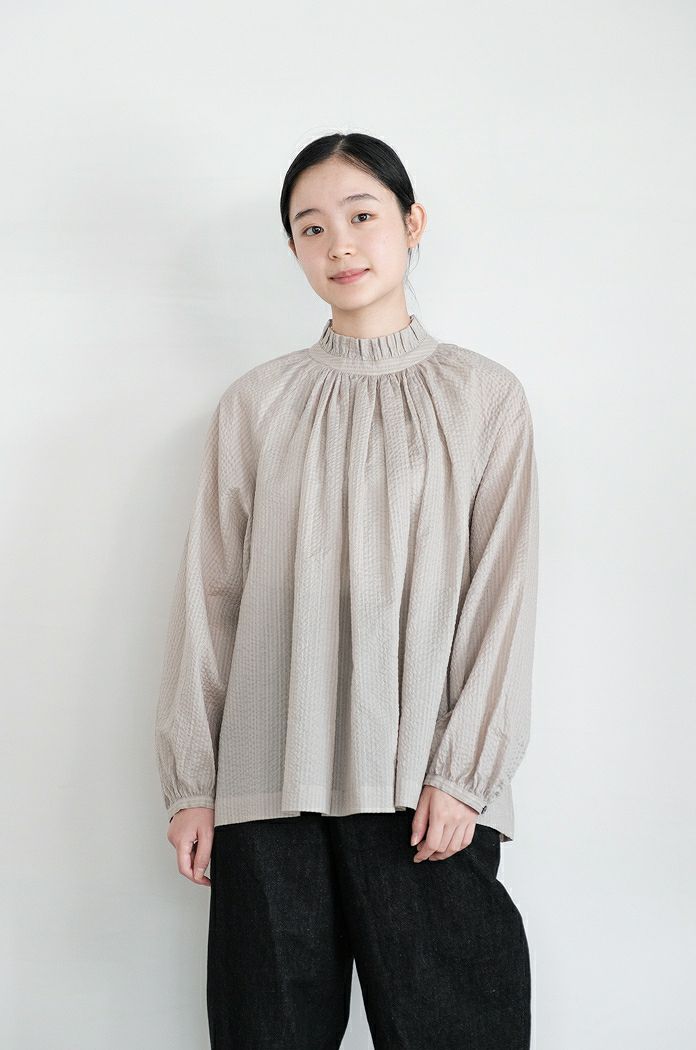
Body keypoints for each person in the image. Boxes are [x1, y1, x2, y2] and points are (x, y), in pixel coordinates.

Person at [155, 131, 539, 1049]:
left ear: (412, 223)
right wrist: (192, 784)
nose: (340, 244)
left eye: (362, 215)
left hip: (420, 792)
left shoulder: (484, 399)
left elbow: (502, 598)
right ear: (293, 248)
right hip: (264, 792)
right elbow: (211, 598)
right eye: (312, 227)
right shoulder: (256, 404)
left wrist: (464, 775)